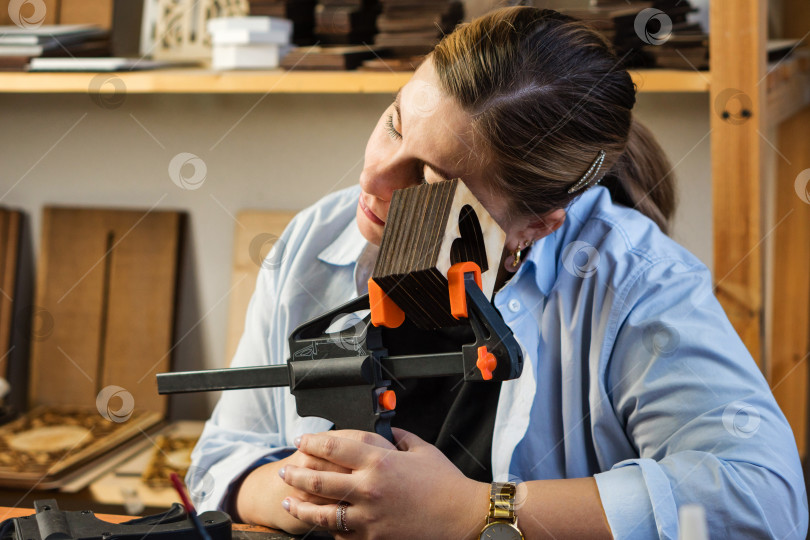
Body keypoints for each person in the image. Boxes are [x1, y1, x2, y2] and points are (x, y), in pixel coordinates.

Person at [188, 7, 808, 539]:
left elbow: (765, 500)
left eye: (431, 180)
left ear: (533, 226)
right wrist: (336, 503)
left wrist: (471, 511)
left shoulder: (636, 283)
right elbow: (222, 461)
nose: (373, 179)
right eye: (393, 123)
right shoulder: (316, 241)